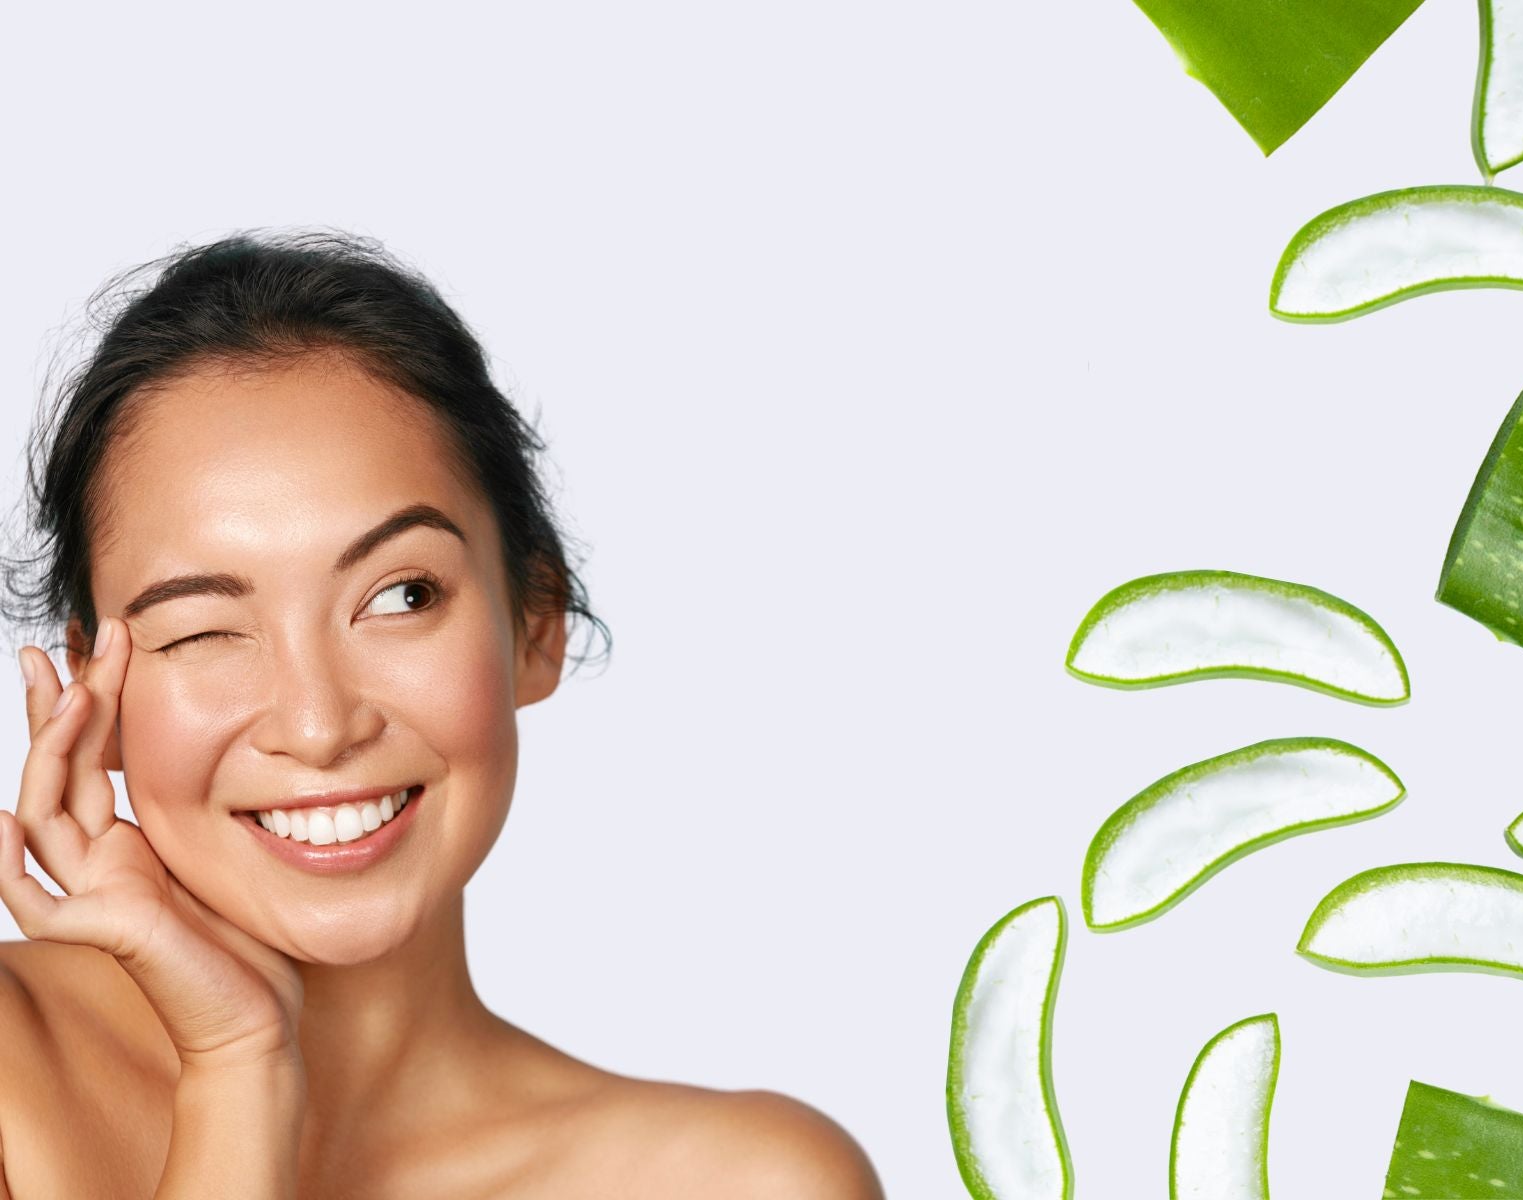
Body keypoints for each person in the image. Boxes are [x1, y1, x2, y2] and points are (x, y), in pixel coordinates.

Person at [0, 230, 884, 1198]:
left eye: (402, 596)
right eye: (204, 630)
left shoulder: (742, 1181)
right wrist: (239, 1066)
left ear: (534, 620)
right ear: (96, 692)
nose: (317, 724)